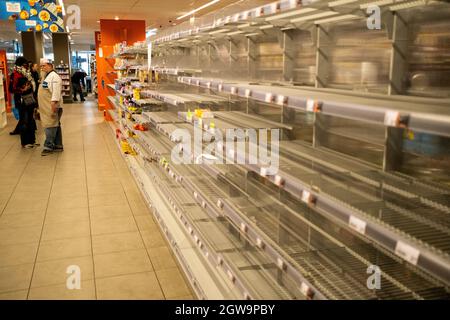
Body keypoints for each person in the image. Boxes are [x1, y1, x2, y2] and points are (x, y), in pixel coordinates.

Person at [38, 59, 64, 156]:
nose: (42, 68)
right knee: (55, 124)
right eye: (41, 66)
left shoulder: (55, 77)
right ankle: (58, 145)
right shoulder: (46, 76)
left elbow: (56, 92)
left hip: (52, 105)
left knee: (50, 125)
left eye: (44, 66)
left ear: (50, 65)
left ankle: (48, 146)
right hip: (46, 106)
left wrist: (54, 104)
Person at [9, 57, 36, 135]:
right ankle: (24, 137)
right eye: (25, 65)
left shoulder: (27, 74)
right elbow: (11, 89)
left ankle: (30, 136)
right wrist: (22, 89)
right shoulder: (15, 74)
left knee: (29, 117)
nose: (26, 66)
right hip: (20, 99)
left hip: (29, 98)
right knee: (24, 118)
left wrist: (30, 85)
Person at [16, 77, 38, 148]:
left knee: (31, 124)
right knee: (24, 124)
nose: (26, 86)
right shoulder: (18, 88)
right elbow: (16, 93)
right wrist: (22, 90)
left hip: (30, 106)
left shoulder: (28, 81)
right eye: (25, 85)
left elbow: (33, 94)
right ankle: (24, 143)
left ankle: (32, 141)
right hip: (23, 108)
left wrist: (35, 106)